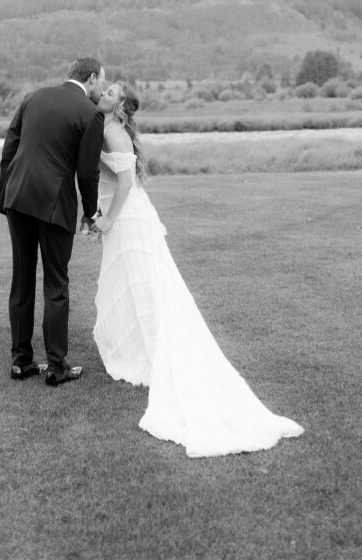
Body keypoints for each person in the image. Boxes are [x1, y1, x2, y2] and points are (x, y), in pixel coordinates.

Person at [89, 82, 305, 457]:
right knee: (135, 284)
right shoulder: (108, 128)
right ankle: (143, 347)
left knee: (142, 285)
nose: (105, 92)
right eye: (105, 88)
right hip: (130, 218)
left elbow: (124, 181)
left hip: (127, 220)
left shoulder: (110, 130)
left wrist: (107, 220)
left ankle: (148, 352)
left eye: (111, 91)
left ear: (120, 105)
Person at [0, 57, 105, 386]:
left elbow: (10, 146)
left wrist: (6, 191)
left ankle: (21, 361)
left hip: (18, 198)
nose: (102, 87)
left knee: (22, 278)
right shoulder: (91, 113)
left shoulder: (33, 97)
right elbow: (88, 172)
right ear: (90, 78)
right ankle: (57, 366)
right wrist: (90, 212)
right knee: (56, 283)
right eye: (102, 80)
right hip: (55, 203)